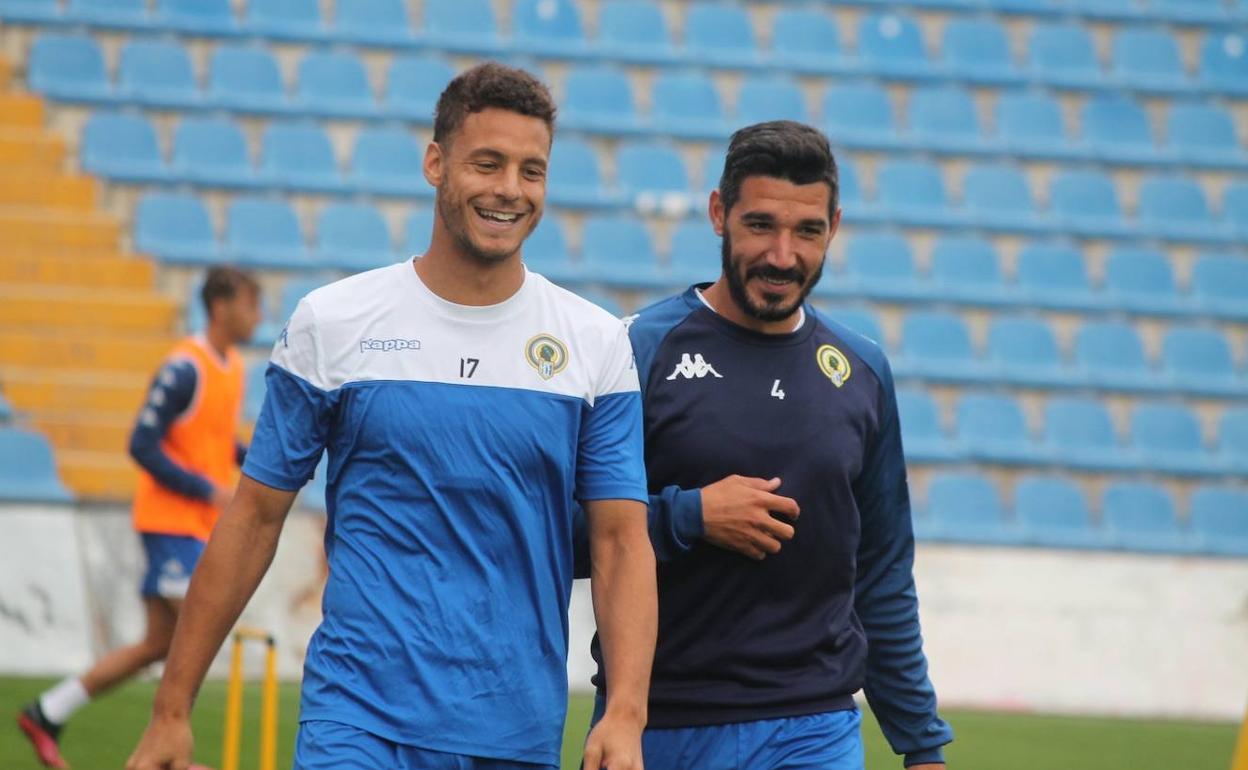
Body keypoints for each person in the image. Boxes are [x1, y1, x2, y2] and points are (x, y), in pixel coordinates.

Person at [125, 62, 657, 770]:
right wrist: (171, 710)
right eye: (487, 163)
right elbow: (255, 516)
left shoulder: (595, 343)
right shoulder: (334, 323)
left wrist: (625, 711)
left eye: (532, 171)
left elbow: (621, 543)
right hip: (357, 719)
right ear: (435, 163)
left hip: (515, 728)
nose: (509, 190)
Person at [579, 121, 954, 769]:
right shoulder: (639, 352)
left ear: (833, 226)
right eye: (760, 226)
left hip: (817, 723)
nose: (783, 255)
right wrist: (688, 515)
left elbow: (883, 576)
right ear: (719, 213)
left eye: (807, 231)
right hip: (665, 720)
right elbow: (561, 536)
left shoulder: (860, 373)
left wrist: (921, 744)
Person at [18, 266, 262, 770]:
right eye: (250, 303)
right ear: (220, 307)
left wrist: (259, 463)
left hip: (194, 526)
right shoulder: (183, 368)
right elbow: (141, 444)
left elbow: (213, 441)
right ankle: (167, 753)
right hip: (169, 522)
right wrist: (203, 487)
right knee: (197, 633)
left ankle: (48, 711)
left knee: (161, 643)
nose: (257, 314)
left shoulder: (232, 366)